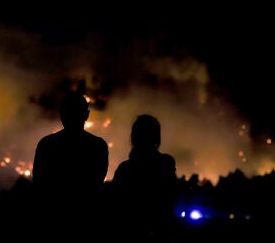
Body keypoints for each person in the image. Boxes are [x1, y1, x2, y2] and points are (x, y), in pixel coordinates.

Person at [31, 90, 109, 234]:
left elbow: (39, 185)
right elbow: (96, 183)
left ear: (61, 115)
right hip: (87, 220)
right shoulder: (98, 146)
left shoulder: (47, 144)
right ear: (86, 115)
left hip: (53, 220)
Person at [111, 114, 178, 242]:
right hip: (160, 232)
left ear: (134, 137)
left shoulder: (125, 168)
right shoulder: (166, 163)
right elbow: (171, 196)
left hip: (131, 233)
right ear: (156, 137)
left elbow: (117, 205)